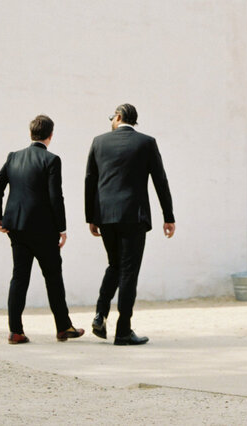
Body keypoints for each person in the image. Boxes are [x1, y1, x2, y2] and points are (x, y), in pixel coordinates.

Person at [85, 103, 175, 345]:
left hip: (106, 216)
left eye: (112, 118)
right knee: (128, 272)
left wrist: (91, 217)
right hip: (133, 216)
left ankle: (99, 314)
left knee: (114, 264)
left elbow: (90, 181)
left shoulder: (99, 142)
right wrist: (169, 216)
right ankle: (123, 330)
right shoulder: (146, 143)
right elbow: (160, 180)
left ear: (119, 116)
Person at [0, 114, 84, 345]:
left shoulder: (13, 157)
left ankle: (15, 331)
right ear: (51, 135)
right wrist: (62, 228)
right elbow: (55, 196)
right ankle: (63, 327)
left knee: (19, 278)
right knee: (53, 277)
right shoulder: (52, 160)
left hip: (17, 228)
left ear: (31, 133)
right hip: (44, 230)